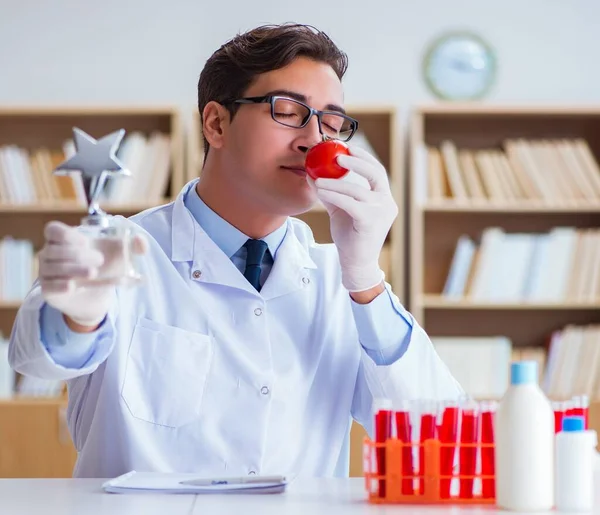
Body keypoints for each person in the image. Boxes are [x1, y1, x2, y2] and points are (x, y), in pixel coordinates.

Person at [8, 23, 462, 479]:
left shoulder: (341, 281)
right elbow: (33, 358)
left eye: (332, 122)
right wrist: (77, 319)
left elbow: (436, 431)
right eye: (288, 110)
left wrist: (366, 276)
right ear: (216, 123)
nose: (313, 140)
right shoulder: (118, 252)